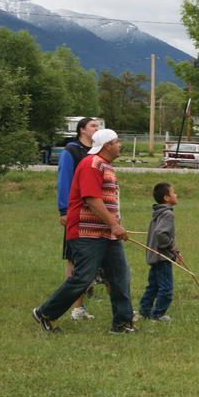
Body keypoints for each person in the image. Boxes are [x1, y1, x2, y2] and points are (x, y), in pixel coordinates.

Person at [33, 129, 135, 333]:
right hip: (87, 233)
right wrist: (114, 224)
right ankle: (45, 313)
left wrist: (114, 225)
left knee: (120, 276)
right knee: (83, 277)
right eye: (116, 142)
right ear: (107, 145)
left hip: (106, 233)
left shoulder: (106, 166)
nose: (119, 145)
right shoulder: (91, 164)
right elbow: (91, 199)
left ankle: (122, 323)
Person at [56, 117, 100, 320]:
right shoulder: (71, 151)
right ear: (82, 130)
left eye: (98, 126)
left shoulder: (96, 152)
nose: (97, 129)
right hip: (76, 211)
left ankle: (89, 286)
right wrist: (64, 210)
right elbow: (64, 180)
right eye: (93, 126)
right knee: (74, 259)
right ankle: (76, 307)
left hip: (95, 213)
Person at [136, 182, 182, 322]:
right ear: (167, 198)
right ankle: (158, 315)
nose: (176, 195)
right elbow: (161, 234)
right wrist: (172, 248)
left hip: (155, 256)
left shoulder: (158, 213)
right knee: (166, 289)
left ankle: (144, 311)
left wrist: (176, 249)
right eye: (173, 192)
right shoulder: (167, 214)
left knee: (153, 287)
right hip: (162, 258)